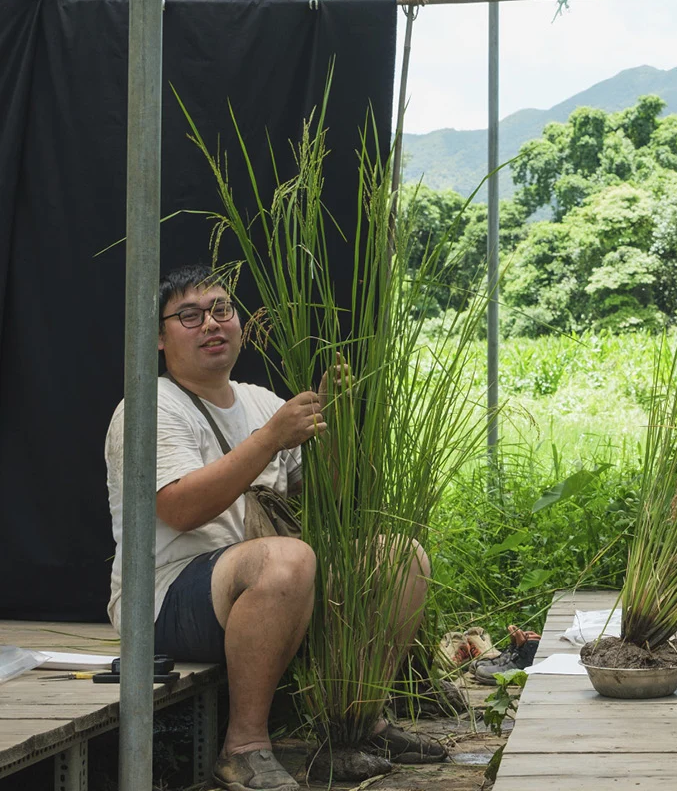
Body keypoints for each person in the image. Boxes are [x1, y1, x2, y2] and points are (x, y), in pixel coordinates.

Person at [104, 265, 443, 791]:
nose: (212, 324)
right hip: (166, 597)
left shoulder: (260, 399)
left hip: (272, 590)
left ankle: (360, 725)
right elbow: (179, 508)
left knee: (400, 554)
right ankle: (242, 748)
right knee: (288, 557)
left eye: (221, 310)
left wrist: (338, 427)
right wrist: (271, 438)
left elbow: (325, 498)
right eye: (189, 316)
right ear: (158, 338)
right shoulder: (149, 406)